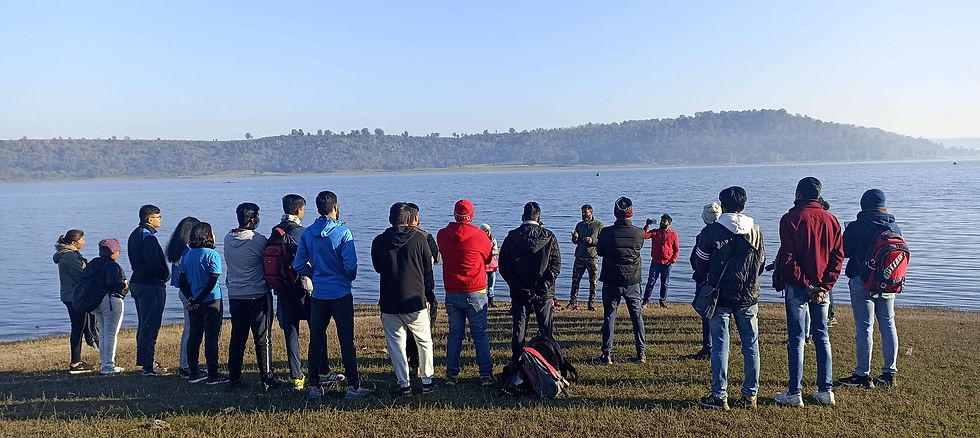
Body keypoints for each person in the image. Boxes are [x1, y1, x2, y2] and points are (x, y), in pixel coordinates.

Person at [774, 177, 844, 407]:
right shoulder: (831, 220)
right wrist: (825, 286)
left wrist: (807, 286)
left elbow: (788, 259)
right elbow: (837, 257)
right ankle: (825, 390)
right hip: (822, 289)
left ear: (798, 194)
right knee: (822, 336)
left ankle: (795, 392)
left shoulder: (790, 219)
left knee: (796, 338)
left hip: (798, 287)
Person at [293, 191, 370, 400]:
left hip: (319, 295)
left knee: (316, 340)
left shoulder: (308, 233)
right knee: (346, 341)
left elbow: (298, 264)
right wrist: (346, 277)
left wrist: (315, 274)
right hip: (341, 293)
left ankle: (315, 386)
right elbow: (351, 266)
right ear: (335, 207)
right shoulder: (344, 233)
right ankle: (353, 386)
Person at [694, 187, 765, 410]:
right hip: (748, 296)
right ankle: (750, 396)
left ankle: (719, 395)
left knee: (720, 346)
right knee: (751, 345)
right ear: (743, 206)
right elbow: (760, 264)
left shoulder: (711, 232)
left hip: (720, 296)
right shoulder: (755, 230)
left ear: (722, 206)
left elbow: (699, 263)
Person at [836, 189, 903, 388]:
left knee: (865, 327)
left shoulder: (858, 226)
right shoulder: (894, 225)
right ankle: (889, 374)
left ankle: (863, 376)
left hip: (862, 280)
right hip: (889, 281)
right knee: (888, 324)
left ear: (863, 205)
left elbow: (844, 251)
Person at [372, 202, 438, 397]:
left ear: (390, 219)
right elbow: (428, 265)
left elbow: (377, 268)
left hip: (389, 300)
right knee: (424, 341)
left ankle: (404, 384)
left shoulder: (379, 241)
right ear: (409, 220)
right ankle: (427, 381)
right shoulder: (419, 239)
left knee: (396, 345)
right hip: (415, 299)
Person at [437, 199, 495, 387]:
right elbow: (487, 259)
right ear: (472, 216)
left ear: (455, 214)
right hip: (476, 290)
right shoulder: (480, 236)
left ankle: (451, 374)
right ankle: (485, 374)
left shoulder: (442, 235)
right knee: (480, 334)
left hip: (452, 290)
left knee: (455, 334)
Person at [272, 194, 327, 391]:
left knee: (291, 334)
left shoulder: (274, 232)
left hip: (282, 289)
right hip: (303, 288)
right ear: (298, 211)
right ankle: (322, 370)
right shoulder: (303, 233)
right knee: (317, 330)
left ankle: (297, 377)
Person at [224, 203, 281, 391]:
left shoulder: (227, 239)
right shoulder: (258, 240)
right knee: (262, 338)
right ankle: (267, 378)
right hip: (257, 294)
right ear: (253, 219)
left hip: (235, 295)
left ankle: (234, 377)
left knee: (237, 337)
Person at [498, 202, 561, 369]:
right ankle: (549, 363)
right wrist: (541, 288)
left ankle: (517, 361)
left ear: (522, 217)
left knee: (519, 329)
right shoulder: (549, 237)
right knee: (546, 329)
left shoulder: (511, 238)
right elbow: (555, 267)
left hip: (520, 292)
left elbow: (504, 267)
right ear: (539, 218)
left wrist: (519, 287)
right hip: (544, 292)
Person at [593, 197, 646, 365]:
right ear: (631, 213)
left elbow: (600, 251)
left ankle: (606, 354)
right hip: (632, 280)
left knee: (609, 316)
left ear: (615, 212)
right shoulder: (639, 233)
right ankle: (641, 354)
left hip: (611, 280)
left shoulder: (607, 233)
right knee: (637, 317)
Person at [178, 222, 229, 385]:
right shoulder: (212, 255)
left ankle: (193, 372)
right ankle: (213, 373)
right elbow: (213, 280)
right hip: (211, 300)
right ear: (208, 235)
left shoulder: (187, 255)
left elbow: (183, 280)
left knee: (195, 335)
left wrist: (191, 298)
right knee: (212, 336)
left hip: (193, 299)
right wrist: (200, 298)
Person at [127, 204, 171, 376]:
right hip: (150, 285)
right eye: (158, 217)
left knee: (144, 323)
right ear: (149, 219)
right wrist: (164, 276)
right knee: (150, 324)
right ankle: (148, 365)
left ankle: (147, 361)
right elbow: (154, 263)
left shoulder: (135, 234)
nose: (161, 220)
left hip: (138, 282)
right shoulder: (148, 238)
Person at [405, 202, 439, 375]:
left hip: (403, 289)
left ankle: (411, 363)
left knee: (407, 332)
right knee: (424, 331)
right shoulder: (425, 236)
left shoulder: (396, 236)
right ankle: (420, 365)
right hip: (424, 290)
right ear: (416, 218)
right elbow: (437, 258)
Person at [54, 230, 94, 374]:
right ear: (73, 243)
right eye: (82, 239)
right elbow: (81, 276)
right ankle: (75, 363)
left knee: (79, 327)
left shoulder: (68, 255)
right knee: (78, 328)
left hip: (70, 296)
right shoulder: (69, 257)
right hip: (74, 297)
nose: (84, 242)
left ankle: (76, 361)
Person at [166, 216, 200, 379]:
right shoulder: (188, 250)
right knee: (192, 329)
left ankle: (185, 363)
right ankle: (186, 364)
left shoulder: (178, 248)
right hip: (191, 292)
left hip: (183, 291)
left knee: (189, 328)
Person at [90, 238, 129, 375]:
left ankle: (105, 363)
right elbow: (114, 284)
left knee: (103, 334)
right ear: (112, 252)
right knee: (111, 334)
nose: (119, 253)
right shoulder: (113, 266)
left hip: (96, 302)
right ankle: (108, 366)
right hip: (111, 301)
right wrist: (124, 285)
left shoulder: (94, 263)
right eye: (117, 250)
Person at [687, 202, 722, 360]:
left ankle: (708, 347)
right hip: (725, 280)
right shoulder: (729, 232)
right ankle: (719, 346)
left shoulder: (704, 235)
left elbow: (696, 261)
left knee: (707, 315)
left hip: (707, 281)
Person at [569, 204, 602, 310]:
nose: (583, 214)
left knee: (593, 282)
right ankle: (573, 303)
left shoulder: (599, 225)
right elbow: (575, 242)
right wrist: (575, 237)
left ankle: (591, 303)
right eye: (582, 212)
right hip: (579, 256)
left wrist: (592, 241)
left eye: (585, 212)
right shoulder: (579, 225)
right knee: (575, 280)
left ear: (591, 212)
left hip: (592, 257)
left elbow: (603, 241)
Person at [642, 214, 679, 309]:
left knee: (665, 283)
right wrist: (647, 225)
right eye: (661, 221)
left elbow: (676, 249)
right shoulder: (655, 232)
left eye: (664, 221)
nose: (662, 222)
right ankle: (645, 301)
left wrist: (673, 260)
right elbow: (644, 236)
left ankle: (662, 301)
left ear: (669, 223)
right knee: (651, 282)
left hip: (667, 263)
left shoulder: (673, 234)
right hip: (655, 262)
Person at [481, 224, 500, 308]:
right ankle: (483, 300)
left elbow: (496, 251)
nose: (488, 232)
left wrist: (490, 252)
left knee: (491, 284)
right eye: (486, 231)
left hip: (492, 266)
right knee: (483, 284)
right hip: (483, 266)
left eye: (489, 230)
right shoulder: (480, 241)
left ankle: (491, 300)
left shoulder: (493, 240)